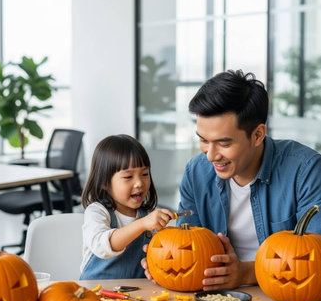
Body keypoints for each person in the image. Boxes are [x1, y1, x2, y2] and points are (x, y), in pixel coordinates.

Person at [142, 69, 321, 289]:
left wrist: (247, 273)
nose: (210, 155)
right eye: (203, 140)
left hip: (286, 297)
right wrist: (162, 259)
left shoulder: (305, 170)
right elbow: (188, 246)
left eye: (224, 144)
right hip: (218, 300)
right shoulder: (196, 172)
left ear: (257, 135)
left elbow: (316, 260)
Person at [80, 134, 173, 280]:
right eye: (128, 177)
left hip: (137, 295)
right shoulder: (97, 212)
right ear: (104, 182)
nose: (139, 183)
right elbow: (102, 246)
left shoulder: (146, 215)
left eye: (144, 174)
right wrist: (141, 224)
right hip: (96, 293)